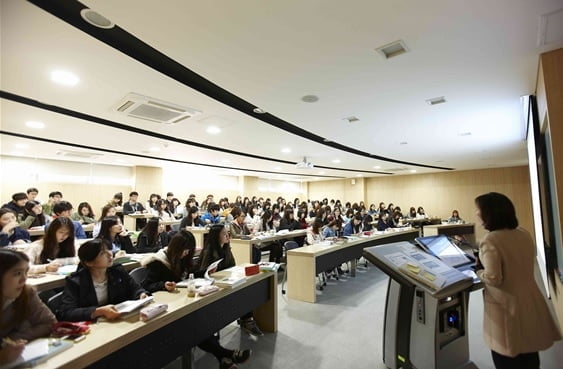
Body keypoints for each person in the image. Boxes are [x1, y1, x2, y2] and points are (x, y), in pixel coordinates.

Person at [474, 192, 561, 369]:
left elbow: (494, 277)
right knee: (528, 351)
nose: (476, 213)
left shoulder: (490, 240)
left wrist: (478, 270)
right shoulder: (523, 233)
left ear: (489, 213)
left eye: (479, 209)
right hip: (529, 300)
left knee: (507, 354)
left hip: (506, 306)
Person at [141, 230, 251, 369]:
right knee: (195, 325)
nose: (187, 253)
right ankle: (225, 355)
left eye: (189, 250)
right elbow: (146, 286)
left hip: (181, 301)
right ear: (177, 248)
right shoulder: (158, 262)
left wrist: (205, 272)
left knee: (199, 321)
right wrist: (163, 285)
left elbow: (187, 276)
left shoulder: (180, 259)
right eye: (185, 250)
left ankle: (223, 358)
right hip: (166, 308)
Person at [57, 238, 149, 322]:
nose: (110, 254)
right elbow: (66, 312)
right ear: (89, 262)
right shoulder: (76, 281)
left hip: (117, 320)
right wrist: (98, 311)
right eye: (102, 253)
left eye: (109, 249)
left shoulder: (117, 270)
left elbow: (135, 288)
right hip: (93, 325)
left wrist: (141, 294)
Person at [200, 225, 263, 337]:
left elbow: (232, 265)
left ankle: (247, 320)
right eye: (224, 234)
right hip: (214, 284)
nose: (227, 235)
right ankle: (247, 321)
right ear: (216, 236)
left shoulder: (226, 247)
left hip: (226, 280)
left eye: (227, 233)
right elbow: (203, 272)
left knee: (245, 288)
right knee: (241, 294)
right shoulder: (209, 251)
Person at [0, 249, 56, 366]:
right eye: (17, 273)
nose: (24, 278)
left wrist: (12, 339)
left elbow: (49, 323)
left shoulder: (26, 292)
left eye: (26, 272)